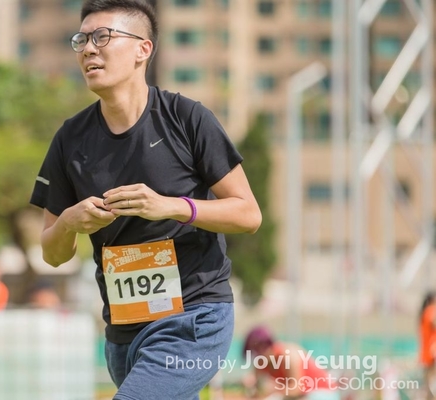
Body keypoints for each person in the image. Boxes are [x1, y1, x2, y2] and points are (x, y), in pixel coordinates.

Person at [29, 0, 262, 398]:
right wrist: (69, 223)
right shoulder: (70, 139)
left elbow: (248, 214)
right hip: (122, 333)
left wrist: (171, 206)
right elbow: (52, 253)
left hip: (193, 318)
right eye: (82, 40)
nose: (88, 49)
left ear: (143, 49)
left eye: (103, 37)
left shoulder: (187, 118)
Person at [241, 326, 339, 400]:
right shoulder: (263, 360)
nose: (256, 354)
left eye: (257, 349)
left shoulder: (288, 354)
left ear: (266, 345)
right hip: (303, 395)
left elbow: (296, 389)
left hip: (322, 393)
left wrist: (274, 391)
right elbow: (255, 383)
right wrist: (252, 385)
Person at [419, 291, 436, 400]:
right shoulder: (430, 311)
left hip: (427, 356)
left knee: (429, 388)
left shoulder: (425, 313)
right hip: (431, 356)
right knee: (431, 388)